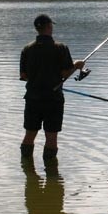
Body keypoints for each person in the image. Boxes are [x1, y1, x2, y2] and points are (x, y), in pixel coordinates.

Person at [19, 13, 85, 165]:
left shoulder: (27, 49)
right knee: (51, 137)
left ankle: (26, 167)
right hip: (53, 100)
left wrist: (39, 80)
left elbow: (23, 76)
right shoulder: (60, 48)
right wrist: (76, 66)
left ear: (37, 29)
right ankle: (51, 172)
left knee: (29, 134)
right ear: (49, 27)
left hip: (32, 99)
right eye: (51, 26)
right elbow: (64, 74)